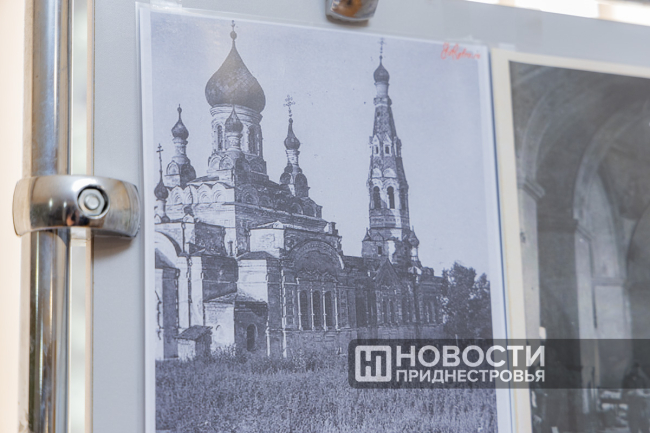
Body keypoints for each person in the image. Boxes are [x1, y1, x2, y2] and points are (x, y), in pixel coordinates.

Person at [622, 361, 650, 433]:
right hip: (632, 408)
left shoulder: (643, 379)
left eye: (638, 369)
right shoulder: (626, 379)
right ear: (631, 369)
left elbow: (647, 392)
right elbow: (623, 394)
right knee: (634, 429)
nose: (637, 370)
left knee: (645, 428)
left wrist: (642, 394)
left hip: (642, 407)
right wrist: (630, 393)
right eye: (634, 368)